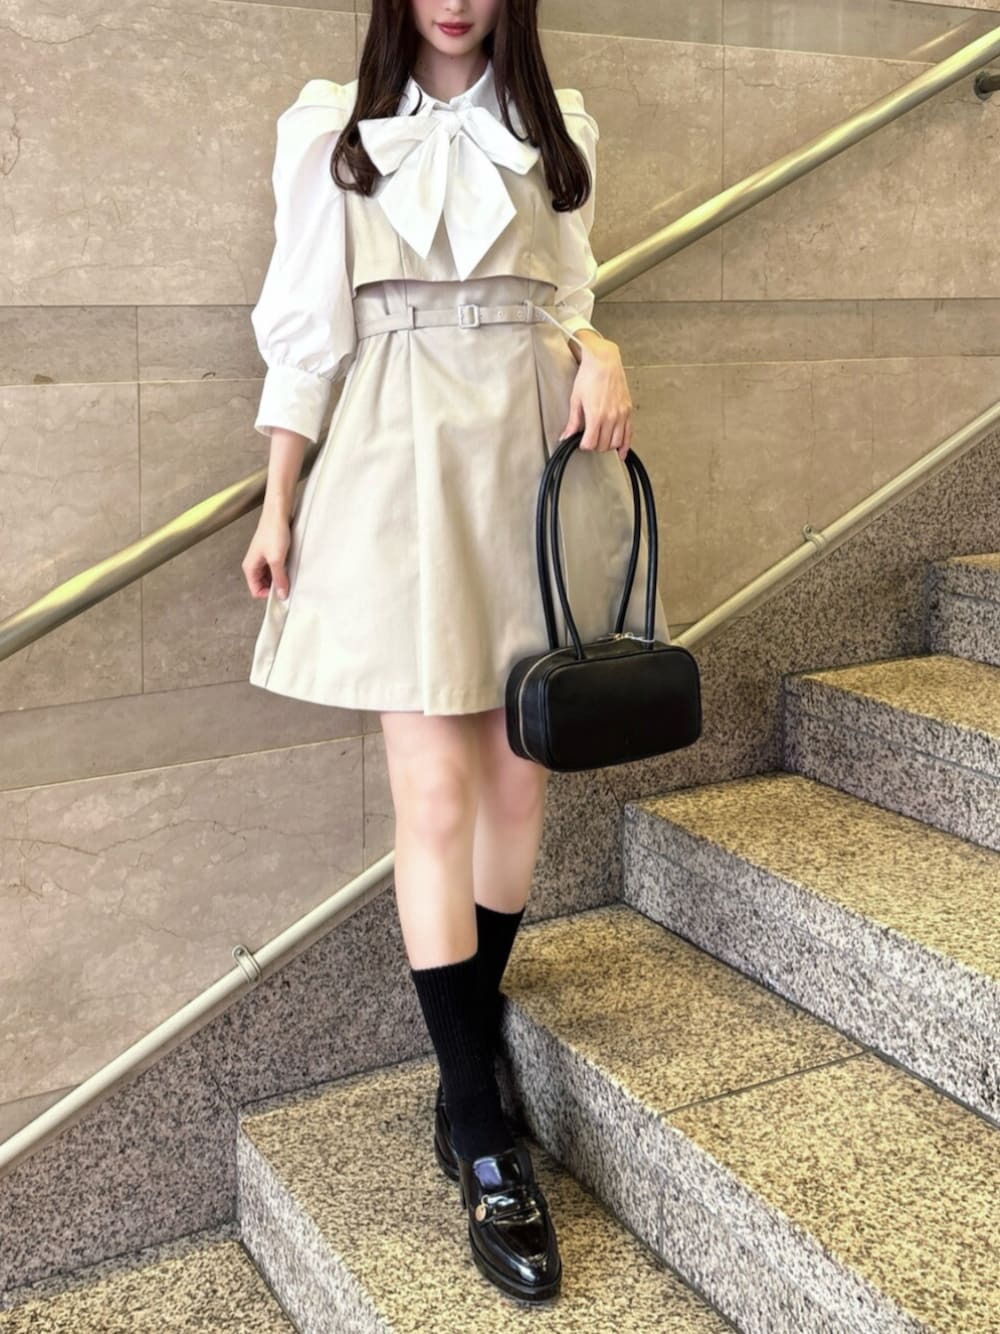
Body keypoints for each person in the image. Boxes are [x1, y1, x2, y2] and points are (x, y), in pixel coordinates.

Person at [241, 0, 670, 1306]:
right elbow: (306, 324)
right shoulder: (332, 128)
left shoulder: (554, 123)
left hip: (527, 463)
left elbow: (574, 290)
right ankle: (480, 1128)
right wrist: (276, 502)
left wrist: (599, 347)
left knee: (520, 785)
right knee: (432, 797)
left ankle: (462, 1065)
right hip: (393, 460)